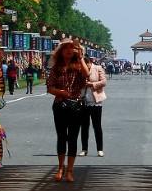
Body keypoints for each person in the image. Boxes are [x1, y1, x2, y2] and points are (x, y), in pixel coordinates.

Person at [46, 41, 88, 182]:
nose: (70, 51)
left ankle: (70, 170)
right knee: (61, 136)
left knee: (73, 138)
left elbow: (87, 74)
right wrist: (61, 92)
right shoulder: (56, 68)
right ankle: (60, 168)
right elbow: (50, 87)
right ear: (61, 51)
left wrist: (81, 57)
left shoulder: (78, 66)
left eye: (73, 48)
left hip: (76, 105)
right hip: (60, 105)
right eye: (66, 48)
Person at [79, 54, 107, 157]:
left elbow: (104, 82)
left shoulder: (98, 68)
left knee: (97, 126)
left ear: (89, 62)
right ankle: (84, 149)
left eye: (86, 64)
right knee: (84, 127)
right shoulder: (81, 70)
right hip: (84, 101)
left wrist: (92, 84)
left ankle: (100, 149)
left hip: (96, 101)